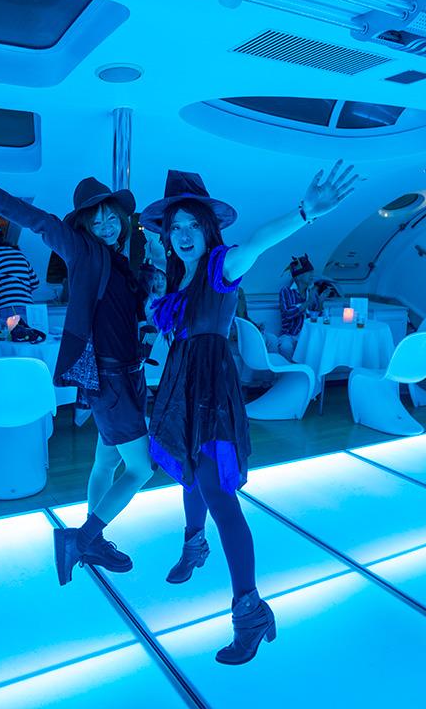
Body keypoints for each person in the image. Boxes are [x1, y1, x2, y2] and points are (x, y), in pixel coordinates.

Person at [139, 162, 357, 665]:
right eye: (175, 227)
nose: (184, 235)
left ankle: (251, 612)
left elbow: (257, 242)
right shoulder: (178, 276)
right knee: (188, 470)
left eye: (193, 225)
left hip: (211, 391)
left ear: (208, 229)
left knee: (218, 491)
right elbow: (167, 322)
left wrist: (305, 212)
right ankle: (195, 546)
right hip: (180, 387)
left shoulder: (221, 265)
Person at [0, 165, 153, 579]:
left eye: (111, 218)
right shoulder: (83, 250)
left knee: (106, 463)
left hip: (122, 377)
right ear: (84, 226)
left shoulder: (119, 261)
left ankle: (94, 541)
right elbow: (39, 222)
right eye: (97, 221)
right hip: (113, 381)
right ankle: (82, 539)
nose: (106, 226)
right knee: (141, 469)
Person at [0, 215, 39, 323]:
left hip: (4, 307)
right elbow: (35, 283)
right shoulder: (19, 254)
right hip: (28, 307)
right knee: (30, 334)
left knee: (6, 334)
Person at [277, 253, 331, 361]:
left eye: (312, 272)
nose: (312, 275)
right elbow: (288, 314)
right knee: (285, 346)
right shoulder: (286, 291)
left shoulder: (312, 292)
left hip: (307, 335)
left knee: (322, 346)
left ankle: (310, 371)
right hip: (290, 335)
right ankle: (287, 370)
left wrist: (320, 302)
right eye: (309, 273)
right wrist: (309, 301)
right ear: (298, 276)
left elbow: (317, 318)